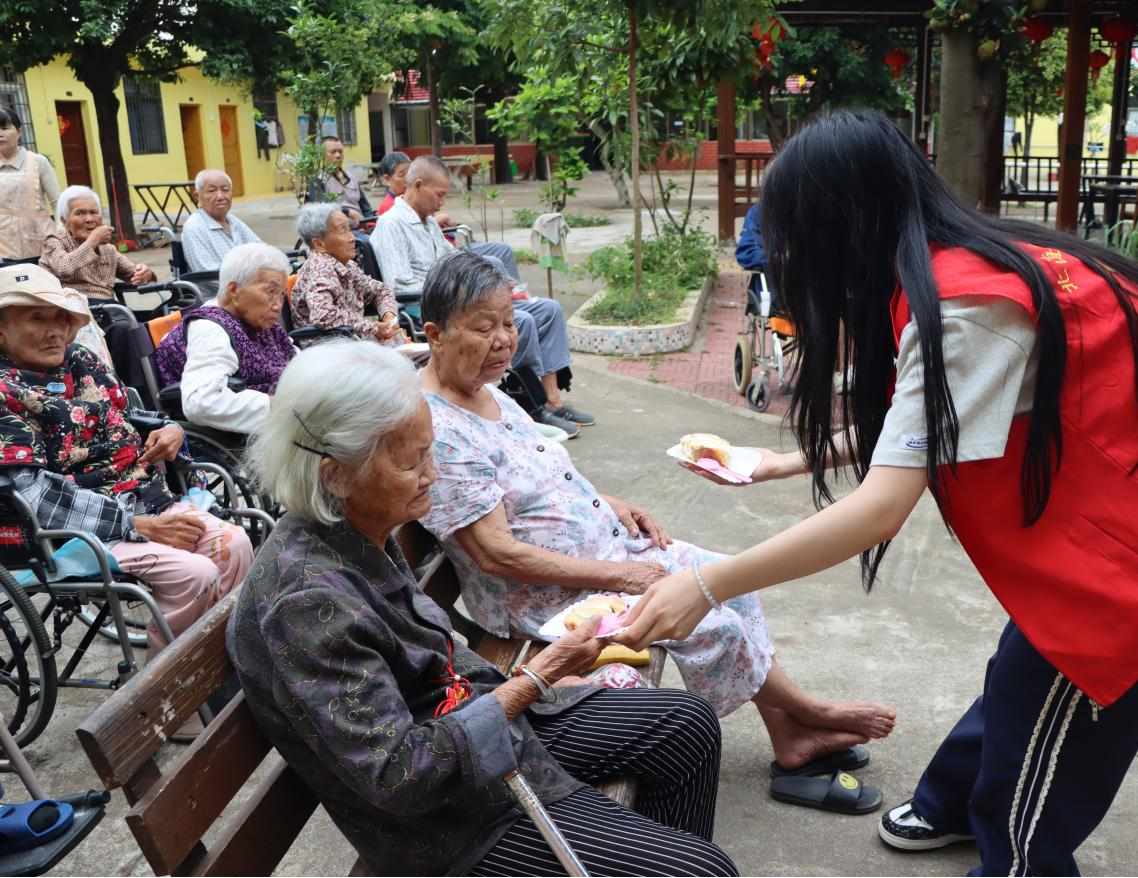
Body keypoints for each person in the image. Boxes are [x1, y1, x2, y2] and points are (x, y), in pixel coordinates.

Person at [614, 110, 1138, 876]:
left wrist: (706, 584)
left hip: (1117, 573)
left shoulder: (966, 308)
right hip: (1098, 515)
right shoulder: (960, 262)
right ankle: (949, 804)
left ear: (841, 220)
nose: (786, 253)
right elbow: (930, 425)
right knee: (1020, 668)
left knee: (1042, 759)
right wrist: (777, 464)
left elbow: (882, 508)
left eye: (793, 231)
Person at [226, 338, 739, 877]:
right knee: (704, 870)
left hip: (474, 730)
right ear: (334, 474)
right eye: (412, 462)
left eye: (429, 452)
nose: (431, 474)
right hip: (450, 819)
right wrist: (535, 679)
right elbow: (400, 776)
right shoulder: (306, 602)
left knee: (686, 726)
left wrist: (527, 686)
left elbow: (428, 657)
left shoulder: (351, 527)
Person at [415, 252, 896, 781]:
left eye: (509, 323)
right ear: (435, 335)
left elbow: (538, 475)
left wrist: (608, 503)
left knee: (731, 581)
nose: (505, 340)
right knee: (714, 622)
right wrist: (623, 575)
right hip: (550, 600)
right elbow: (496, 554)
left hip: (604, 554)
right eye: (484, 328)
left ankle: (789, 735)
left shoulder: (484, 389)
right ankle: (809, 712)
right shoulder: (442, 431)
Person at [0, 265, 253, 735]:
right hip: (68, 532)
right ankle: (158, 701)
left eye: (61, 317)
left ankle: (211, 675)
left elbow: (125, 417)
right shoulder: (4, 391)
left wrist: (170, 430)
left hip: (142, 498)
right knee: (194, 574)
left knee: (235, 544)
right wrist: (138, 526)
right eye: (36, 318)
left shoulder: (81, 361)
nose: (55, 330)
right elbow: (32, 494)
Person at [372, 156, 593, 434]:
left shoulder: (429, 224)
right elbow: (398, 284)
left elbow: (456, 261)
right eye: (439, 195)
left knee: (548, 309)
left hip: (467, 301)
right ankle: (532, 402)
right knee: (520, 322)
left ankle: (552, 398)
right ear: (418, 185)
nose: (442, 202)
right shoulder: (391, 224)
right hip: (435, 306)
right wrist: (460, 291)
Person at [155, 243, 295, 434]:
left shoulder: (256, 320)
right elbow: (201, 402)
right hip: (255, 435)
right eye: (271, 292)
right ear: (234, 290)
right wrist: (279, 406)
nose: (278, 305)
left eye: (282, 294)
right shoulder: (210, 330)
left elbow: (293, 356)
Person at [291, 204, 402, 344]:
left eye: (349, 229)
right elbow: (323, 315)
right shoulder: (319, 270)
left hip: (357, 344)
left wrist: (389, 316)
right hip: (331, 350)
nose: (352, 238)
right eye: (343, 231)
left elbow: (380, 290)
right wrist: (373, 328)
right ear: (319, 244)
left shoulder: (345, 264)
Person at [39, 186, 156, 300]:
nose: (89, 219)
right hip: (72, 308)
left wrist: (147, 274)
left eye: (94, 212)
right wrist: (92, 242)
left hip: (108, 308)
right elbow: (63, 268)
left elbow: (133, 274)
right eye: (80, 213)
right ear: (65, 221)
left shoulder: (107, 249)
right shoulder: (54, 241)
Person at [0, 107, 60, 261]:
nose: (0, 134)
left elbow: (57, 202)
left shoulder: (38, 162)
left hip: (43, 244)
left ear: (19, 132)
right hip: (4, 249)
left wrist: (61, 235)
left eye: (4, 128)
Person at [180, 170, 263, 274]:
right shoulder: (194, 227)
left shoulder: (232, 220)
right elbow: (205, 273)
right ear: (198, 196)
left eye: (225, 190)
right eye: (212, 191)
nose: (220, 196)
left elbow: (261, 249)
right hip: (226, 283)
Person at [316, 137, 372, 226]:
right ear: (321, 155)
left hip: (361, 228)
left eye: (340, 151)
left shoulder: (351, 177)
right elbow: (321, 209)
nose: (338, 155)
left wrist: (368, 223)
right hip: (338, 230)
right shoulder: (318, 179)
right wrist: (348, 212)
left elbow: (365, 207)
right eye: (333, 152)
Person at [735, 199, 779, 313]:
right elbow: (747, 252)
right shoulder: (759, 212)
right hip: (778, 289)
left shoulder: (814, 209)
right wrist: (778, 257)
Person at [375, 151, 410, 216]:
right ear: (387, 179)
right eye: (401, 175)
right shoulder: (390, 207)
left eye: (410, 172)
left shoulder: (407, 197)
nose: (408, 178)